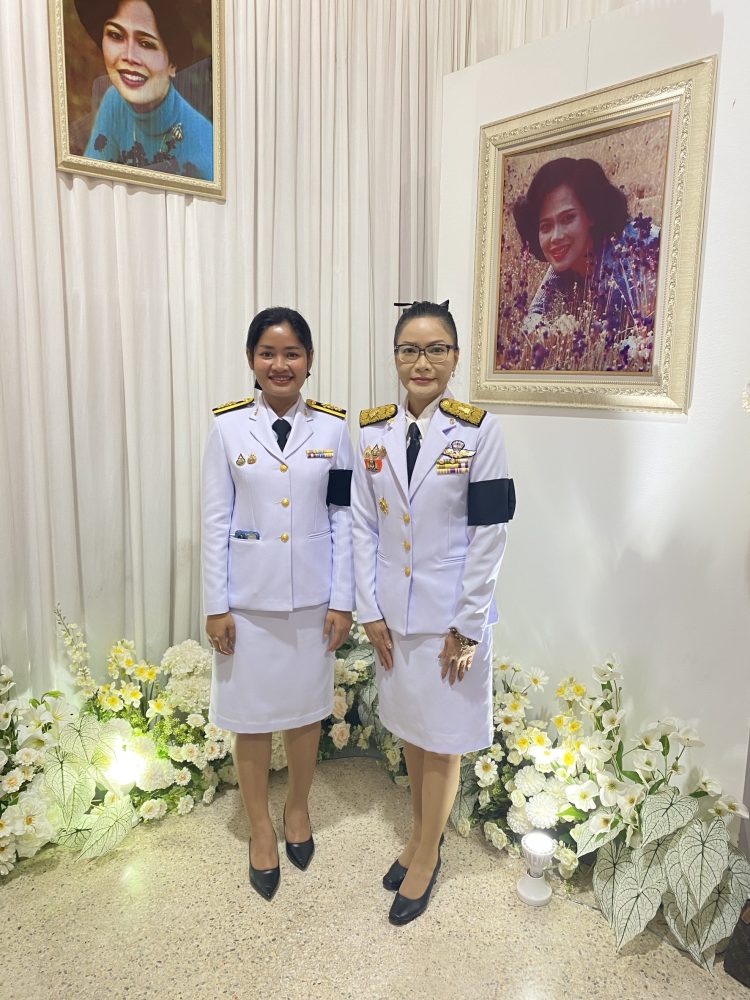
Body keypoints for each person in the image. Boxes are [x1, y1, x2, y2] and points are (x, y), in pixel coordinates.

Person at [352, 300, 515, 925]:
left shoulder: (479, 432)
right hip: (393, 617)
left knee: (442, 741)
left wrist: (467, 626)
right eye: (410, 350)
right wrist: (368, 609)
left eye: (436, 350)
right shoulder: (371, 432)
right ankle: (425, 836)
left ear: (454, 357)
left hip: (451, 619)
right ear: (395, 357)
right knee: (412, 731)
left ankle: (425, 854)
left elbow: (489, 535)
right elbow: (361, 526)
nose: (422, 362)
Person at [202, 307, 354, 901]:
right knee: (251, 719)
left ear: (309, 361)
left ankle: (296, 808)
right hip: (247, 602)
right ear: (251, 360)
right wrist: (216, 605)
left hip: (312, 602)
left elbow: (344, 519)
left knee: (304, 714)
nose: (280, 364)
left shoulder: (334, 430)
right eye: (268, 353)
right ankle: (260, 828)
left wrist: (342, 599)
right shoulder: (227, 428)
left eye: (292, 353)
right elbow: (215, 522)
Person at [510, 157, 660, 370]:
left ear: (591, 215)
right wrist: (547, 331)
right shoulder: (567, 261)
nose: (556, 236)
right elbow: (531, 317)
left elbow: (646, 346)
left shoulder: (630, 257)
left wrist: (588, 342)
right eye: (546, 226)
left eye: (568, 218)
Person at [74, 0, 213, 179]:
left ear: (173, 64)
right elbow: (90, 181)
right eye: (116, 35)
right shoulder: (114, 101)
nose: (129, 56)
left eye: (146, 44)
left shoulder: (205, 148)